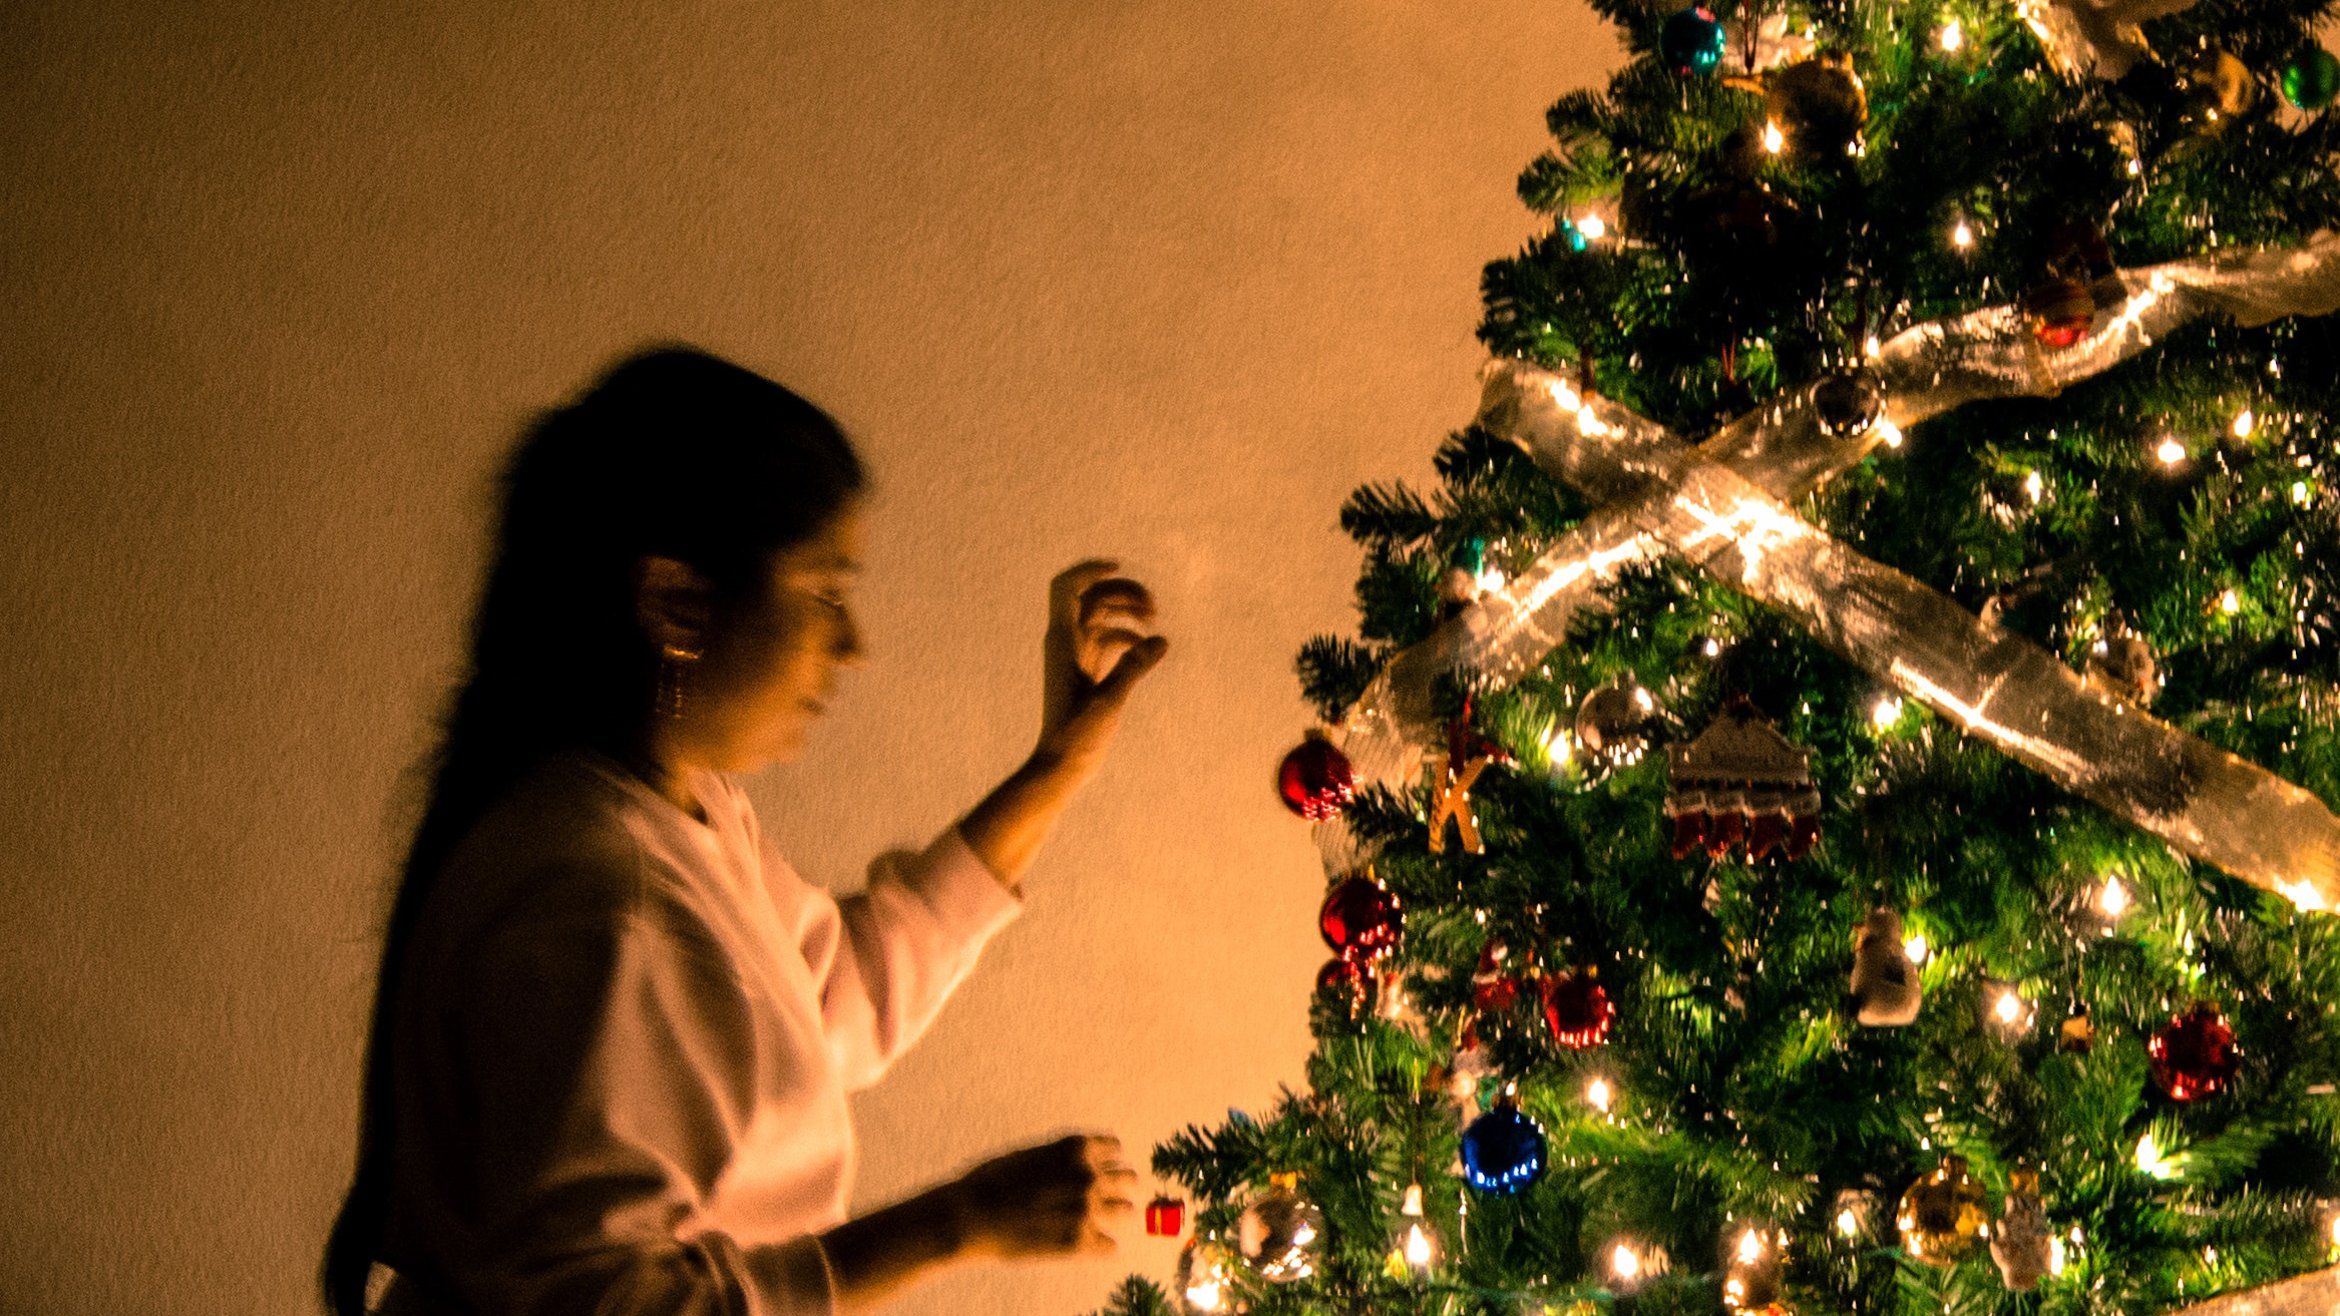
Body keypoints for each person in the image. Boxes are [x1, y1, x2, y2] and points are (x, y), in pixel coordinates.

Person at [321, 346, 1169, 1316]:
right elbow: (602, 1304)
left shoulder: (680, 812)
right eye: (823, 592)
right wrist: (955, 1220)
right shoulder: (603, 896)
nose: (853, 644)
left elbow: (834, 998)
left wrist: (1056, 767)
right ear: (676, 602)